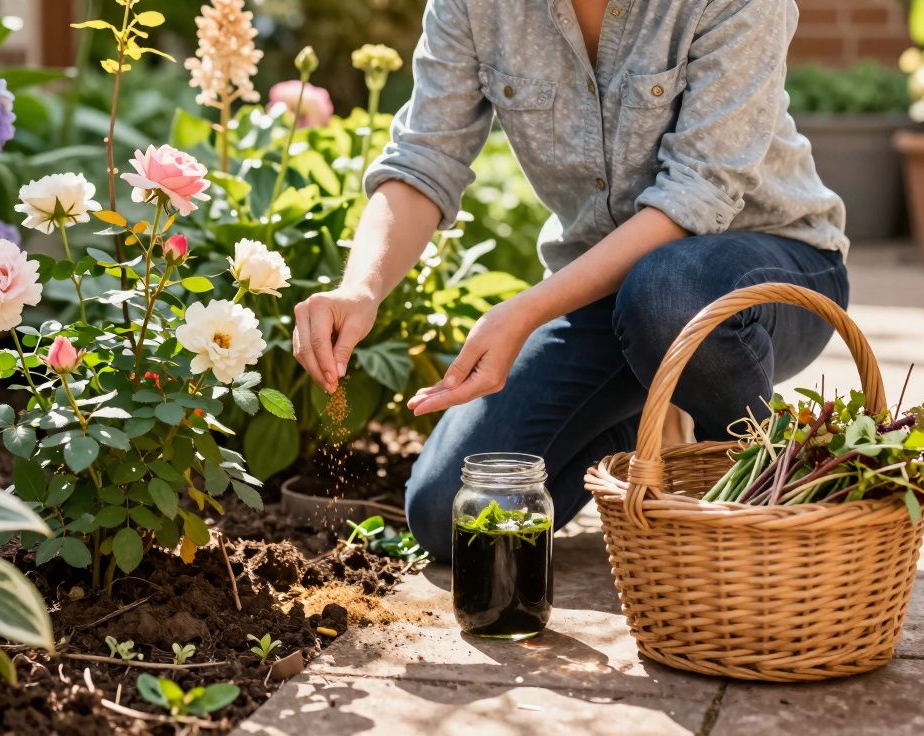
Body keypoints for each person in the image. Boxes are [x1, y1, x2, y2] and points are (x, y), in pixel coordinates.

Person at [291, 0, 849, 560]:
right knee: (452, 515)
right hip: (604, 292)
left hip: (772, 272)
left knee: (667, 292)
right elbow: (422, 161)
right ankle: (642, 423)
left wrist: (525, 311)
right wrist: (360, 288)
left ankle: (750, 490)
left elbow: (695, 197)